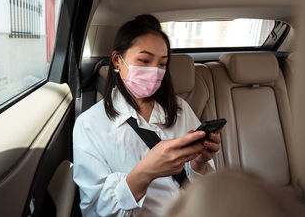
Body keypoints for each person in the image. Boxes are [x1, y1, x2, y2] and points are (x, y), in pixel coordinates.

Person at [73, 14, 222, 217]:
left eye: (162, 64)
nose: (154, 71)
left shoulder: (180, 109)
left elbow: (205, 190)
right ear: (117, 60)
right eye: (144, 60)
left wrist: (199, 164)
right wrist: (145, 172)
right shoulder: (89, 124)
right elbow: (94, 210)